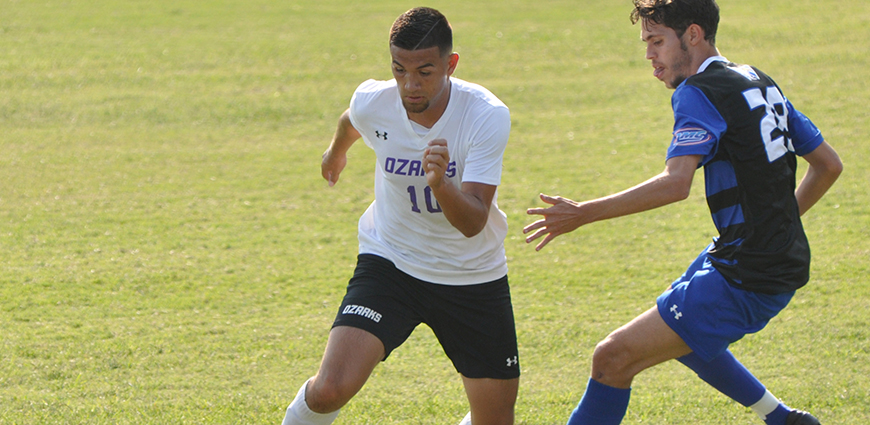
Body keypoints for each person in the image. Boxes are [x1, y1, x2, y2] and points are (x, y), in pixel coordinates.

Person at [522, 1, 842, 424]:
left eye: (657, 42)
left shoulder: (697, 92)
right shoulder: (759, 81)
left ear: (693, 34)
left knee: (612, 358)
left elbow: (676, 183)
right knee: (686, 339)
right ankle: (783, 419)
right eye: (646, 44)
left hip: (751, 270)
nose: (650, 55)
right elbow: (829, 164)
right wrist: (779, 222)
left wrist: (583, 212)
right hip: (765, 256)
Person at [281, 7, 519, 425]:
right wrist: (334, 153)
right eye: (399, 70)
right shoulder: (376, 101)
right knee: (329, 389)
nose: (410, 84)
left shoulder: (485, 115)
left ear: (451, 64)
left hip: (470, 275)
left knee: (494, 420)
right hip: (390, 262)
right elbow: (353, 120)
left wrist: (442, 184)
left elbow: (473, 222)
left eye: (425, 72)